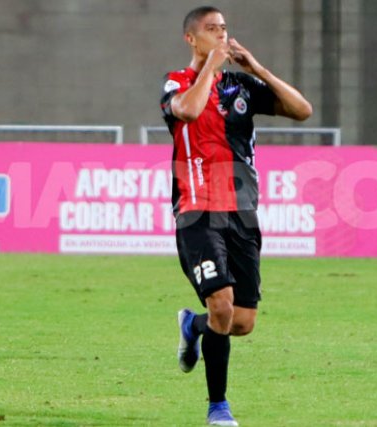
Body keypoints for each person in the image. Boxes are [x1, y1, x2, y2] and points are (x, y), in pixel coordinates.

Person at [161, 6, 312, 426]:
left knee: (241, 323)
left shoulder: (240, 86)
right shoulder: (177, 82)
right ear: (192, 38)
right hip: (197, 211)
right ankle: (218, 407)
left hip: (242, 213)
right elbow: (187, 112)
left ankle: (193, 326)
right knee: (222, 308)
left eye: (224, 29)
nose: (222, 36)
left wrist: (257, 67)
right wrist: (210, 64)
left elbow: (302, 110)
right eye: (212, 30)